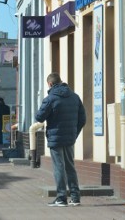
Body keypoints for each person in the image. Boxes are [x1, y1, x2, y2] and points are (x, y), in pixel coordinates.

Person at [35, 72, 86, 207]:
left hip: (55, 138)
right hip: (69, 138)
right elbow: (83, 119)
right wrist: (74, 133)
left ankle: (61, 198)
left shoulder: (50, 98)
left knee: (59, 167)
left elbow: (39, 117)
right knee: (70, 167)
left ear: (50, 84)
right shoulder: (75, 97)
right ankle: (75, 197)